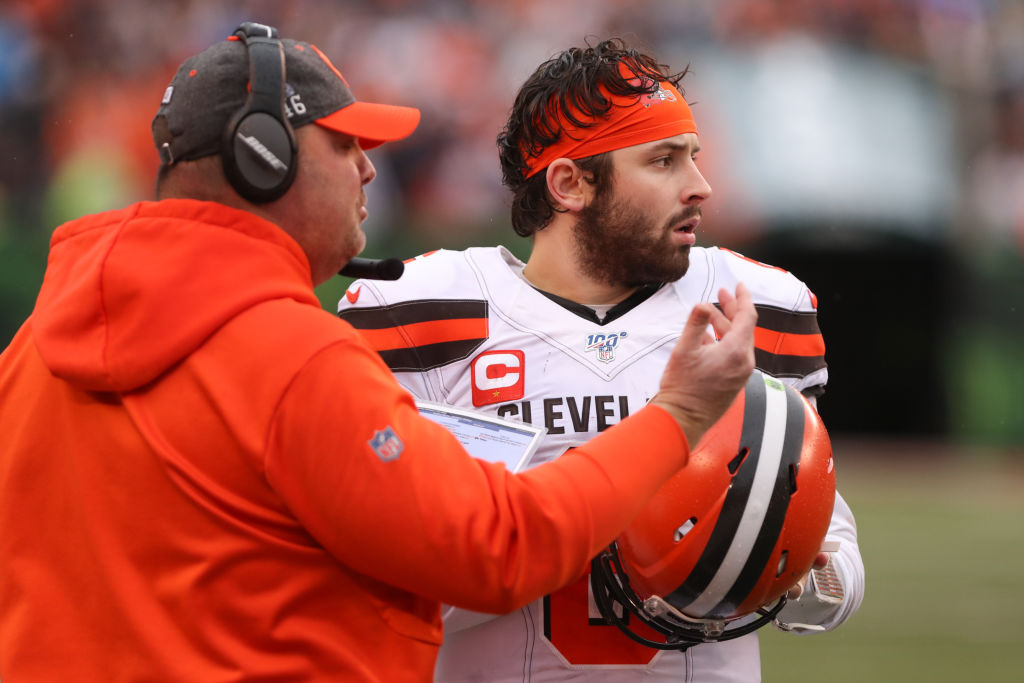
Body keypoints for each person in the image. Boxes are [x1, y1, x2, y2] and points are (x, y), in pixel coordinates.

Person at [0, 23, 762, 682]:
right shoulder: (291, 356)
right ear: (262, 158)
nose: (369, 169)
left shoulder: (29, 349)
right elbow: (500, 548)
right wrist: (679, 413)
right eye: (346, 144)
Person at [337, 38, 865, 681]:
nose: (700, 186)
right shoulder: (422, 315)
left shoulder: (750, 307)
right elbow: (369, 581)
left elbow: (834, 568)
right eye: (664, 161)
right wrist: (582, 534)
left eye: (693, 157)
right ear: (569, 184)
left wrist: (760, 560)